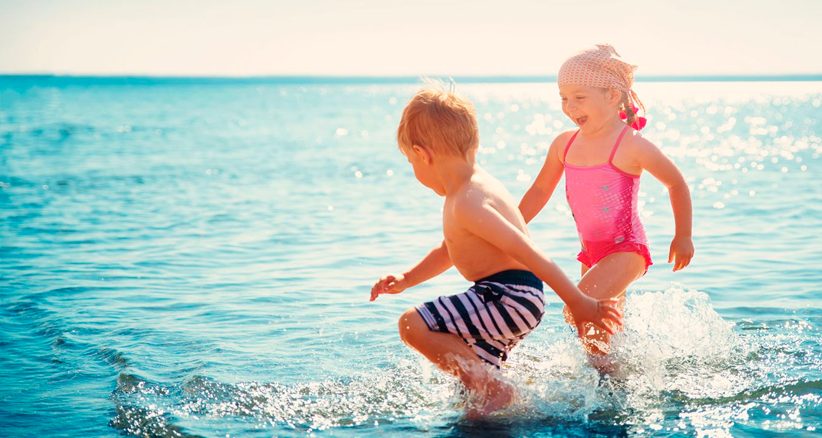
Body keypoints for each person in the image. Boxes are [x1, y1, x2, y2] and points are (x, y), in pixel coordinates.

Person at [370, 86, 623, 417]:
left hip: (507, 295)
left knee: (412, 325)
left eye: (410, 161)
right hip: (513, 297)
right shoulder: (473, 188)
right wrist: (407, 278)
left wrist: (578, 302)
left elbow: (529, 251)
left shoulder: (468, 201)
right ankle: (492, 403)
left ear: (423, 154)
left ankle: (496, 390)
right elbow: (450, 249)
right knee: (473, 399)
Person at [518, 44, 694, 356]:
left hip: (627, 250)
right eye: (564, 98)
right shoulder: (564, 144)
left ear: (613, 96)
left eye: (579, 97)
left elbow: (675, 182)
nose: (570, 106)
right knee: (596, 339)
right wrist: (511, 227)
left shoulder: (632, 145)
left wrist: (682, 236)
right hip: (591, 253)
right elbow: (540, 190)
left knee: (577, 309)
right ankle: (613, 382)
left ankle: (619, 376)